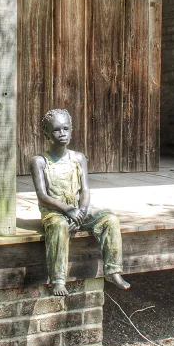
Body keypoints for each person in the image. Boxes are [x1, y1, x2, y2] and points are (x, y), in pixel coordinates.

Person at [29, 108, 130, 296]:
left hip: (78, 209)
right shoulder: (39, 161)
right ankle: (58, 279)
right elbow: (42, 195)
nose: (62, 134)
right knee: (58, 227)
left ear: (71, 130)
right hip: (55, 210)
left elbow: (85, 189)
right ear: (46, 133)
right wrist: (67, 209)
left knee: (109, 219)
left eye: (66, 129)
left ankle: (113, 270)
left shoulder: (78, 158)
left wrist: (82, 209)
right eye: (56, 130)